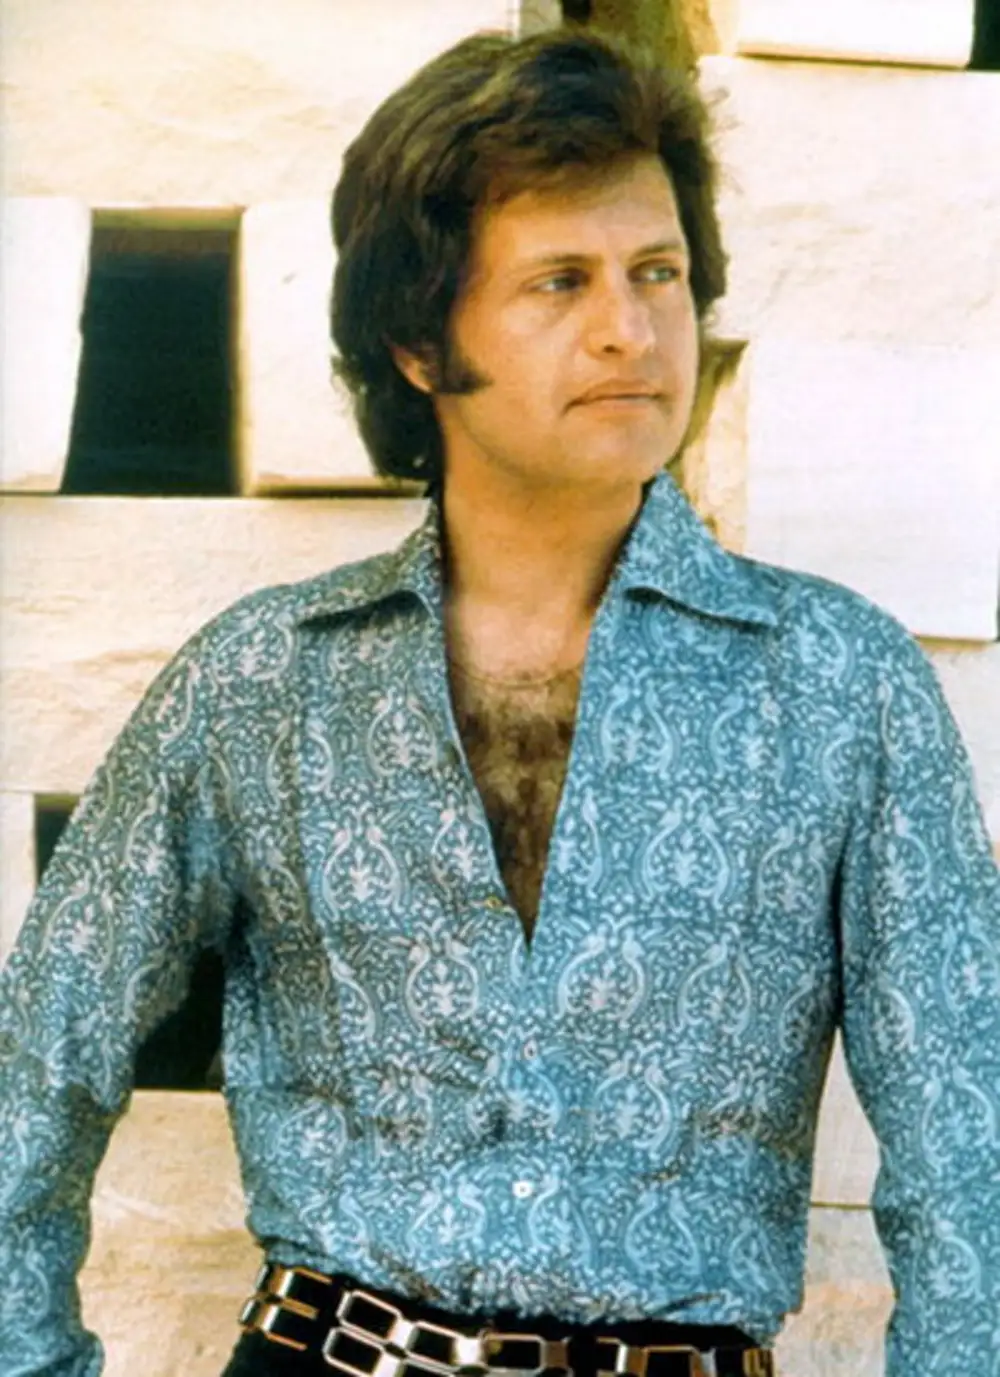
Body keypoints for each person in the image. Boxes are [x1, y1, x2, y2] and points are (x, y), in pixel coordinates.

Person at [1, 27, 997, 1377]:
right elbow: (36, 1067)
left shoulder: (843, 685)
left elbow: (968, 1148)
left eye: (658, 272)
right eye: (559, 281)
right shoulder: (259, 684)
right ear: (419, 341)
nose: (630, 328)